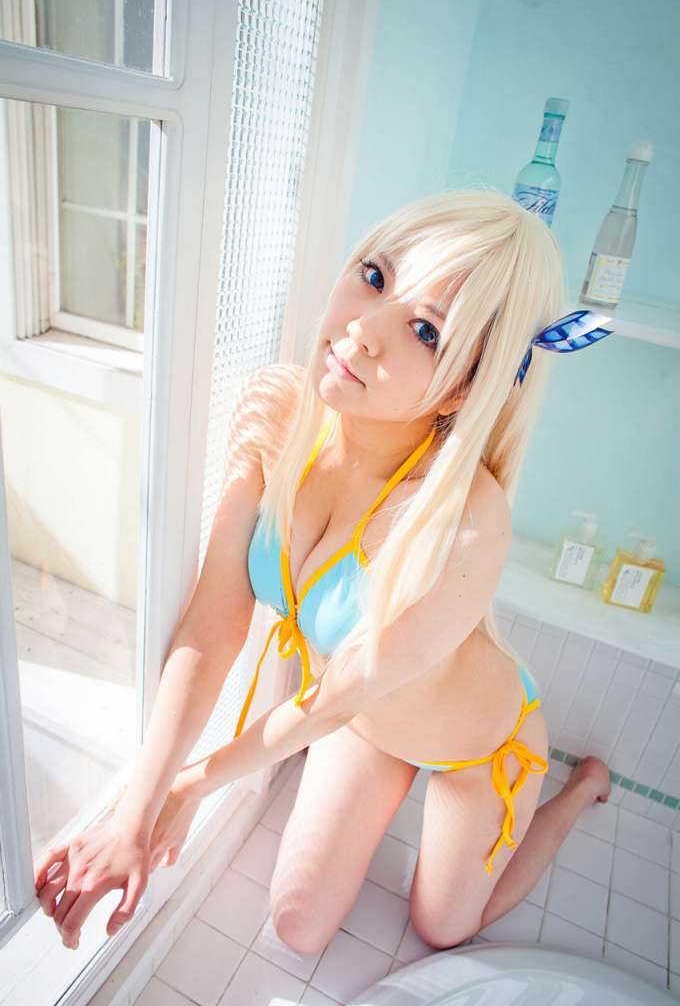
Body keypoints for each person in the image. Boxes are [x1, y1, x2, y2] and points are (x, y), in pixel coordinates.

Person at [34, 189, 613, 954]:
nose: (363, 329)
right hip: (361, 719)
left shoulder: (466, 522)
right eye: (374, 276)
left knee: (443, 928)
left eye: (425, 331)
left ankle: (576, 794)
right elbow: (213, 623)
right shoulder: (278, 412)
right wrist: (134, 809)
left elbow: (338, 692)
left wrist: (188, 786)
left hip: (478, 745)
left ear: (464, 387)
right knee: (298, 928)